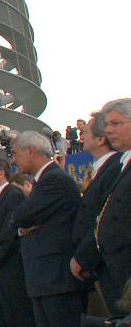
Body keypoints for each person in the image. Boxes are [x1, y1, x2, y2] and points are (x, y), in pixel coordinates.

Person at [10, 130, 83, 327]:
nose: (13, 161)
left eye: (15, 153)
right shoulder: (43, 181)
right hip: (46, 278)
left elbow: (21, 216)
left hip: (56, 278)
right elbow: (23, 220)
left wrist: (25, 223)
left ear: (31, 151)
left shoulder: (54, 179)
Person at [76, 98, 131, 322]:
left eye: (116, 124)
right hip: (114, 267)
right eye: (107, 124)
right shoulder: (123, 164)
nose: (109, 130)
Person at [0, 158, 33, 327]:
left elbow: (10, 229)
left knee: (15, 310)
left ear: (1, 173)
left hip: (9, 261)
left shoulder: (13, 194)